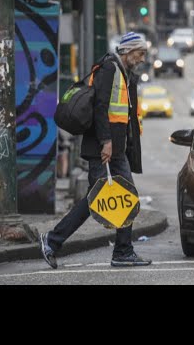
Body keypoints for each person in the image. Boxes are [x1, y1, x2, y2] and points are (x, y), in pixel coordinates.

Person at [40, 31, 152, 269]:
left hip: (116, 150)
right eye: (140, 53)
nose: (143, 59)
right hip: (105, 149)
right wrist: (106, 142)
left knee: (124, 198)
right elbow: (101, 107)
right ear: (128, 51)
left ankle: (123, 251)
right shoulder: (110, 68)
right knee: (99, 200)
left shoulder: (125, 73)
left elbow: (124, 115)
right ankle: (52, 240)